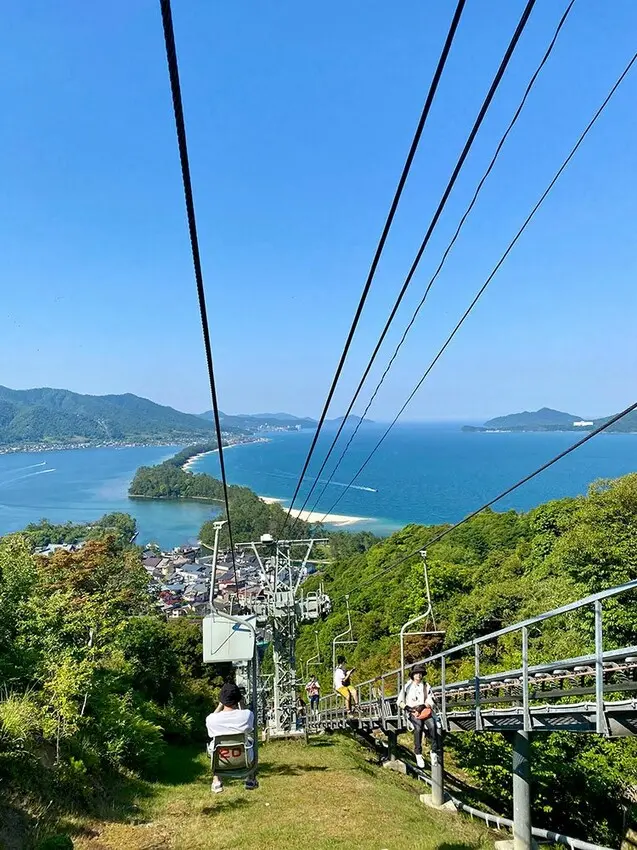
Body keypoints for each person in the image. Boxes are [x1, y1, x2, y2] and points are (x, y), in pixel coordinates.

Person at [205, 682, 257, 793]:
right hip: (244, 759)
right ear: (238, 699)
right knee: (251, 740)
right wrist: (241, 703)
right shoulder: (247, 715)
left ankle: (216, 779)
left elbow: (213, 717)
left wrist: (220, 705)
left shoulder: (211, 719)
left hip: (221, 760)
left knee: (213, 743)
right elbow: (248, 723)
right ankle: (250, 777)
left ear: (221, 700)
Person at [397, 663, 442, 769]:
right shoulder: (407, 686)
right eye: (416, 673)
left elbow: (431, 699)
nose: (418, 675)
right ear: (412, 675)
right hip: (413, 711)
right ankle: (418, 754)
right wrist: (407, 708)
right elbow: (399, 701)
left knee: (432, 726)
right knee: (418, 728)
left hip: (425, 710)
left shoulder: (426, 686)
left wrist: (424, 705)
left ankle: (433, 751)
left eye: (420, 673)